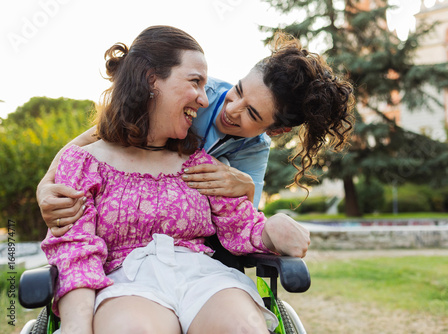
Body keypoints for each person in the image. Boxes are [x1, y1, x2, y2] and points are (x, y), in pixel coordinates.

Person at [41, 25, 310, 334]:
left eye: (203, 84)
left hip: (204, 276)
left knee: (243, 327)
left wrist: (273, 228)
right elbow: (75, 252)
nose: (207, 101)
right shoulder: (85, 163)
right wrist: (77, 325)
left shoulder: (202, 163)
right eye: (195, 82)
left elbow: (241, 227)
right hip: (125, 279)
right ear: (150, 80)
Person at [37, 31, 355, 236]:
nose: (232, 109)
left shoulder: (255, 150)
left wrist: (244, 186)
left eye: (252, 113)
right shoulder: (195, 94)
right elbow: (98, 135)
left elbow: (243, 222)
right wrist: (46, 185)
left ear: (276, 129)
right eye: (239, 91)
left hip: (186, 233)